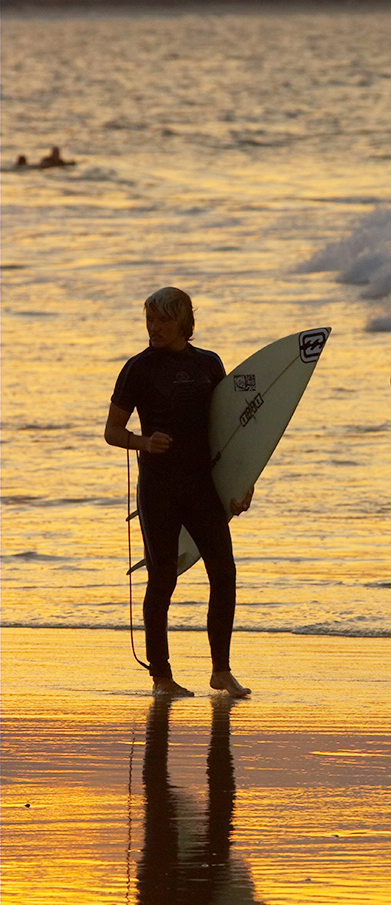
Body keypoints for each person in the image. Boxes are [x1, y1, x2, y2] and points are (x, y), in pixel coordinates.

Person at [104, 287, 253, 698]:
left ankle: (220, 671)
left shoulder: (209, 364)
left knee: (224, 574)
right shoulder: (138, 369)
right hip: (160, 487)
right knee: (163, 579)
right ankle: (162, 678)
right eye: (149, 320)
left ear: (183, 323)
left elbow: (229, 433)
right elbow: (111, 432)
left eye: (163, 321)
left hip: (202, 485)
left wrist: (243, 484)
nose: (154, 328)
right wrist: (142, 442)